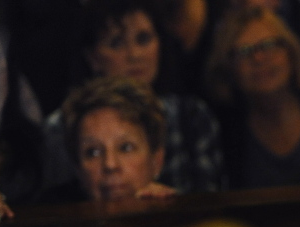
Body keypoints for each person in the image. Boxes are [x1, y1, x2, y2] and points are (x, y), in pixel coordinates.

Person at [40, 0, 224, 196]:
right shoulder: (58, 129)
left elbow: (212, 206)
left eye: (143, 39)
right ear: (92, 57)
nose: (134, 55)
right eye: (117, 43)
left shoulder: (191, 115)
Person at [205, 6, 300, 188]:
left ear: (291, 52)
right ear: (227, 68)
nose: (259, 58)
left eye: (268, 45)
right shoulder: (220, 132)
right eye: (244, 51)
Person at [45, 76, 175, 203]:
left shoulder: (182, 219)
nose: (110, 165)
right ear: (78, 169)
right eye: (93, 152)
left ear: (156, 161)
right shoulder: (48, 216)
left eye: (126, 148)